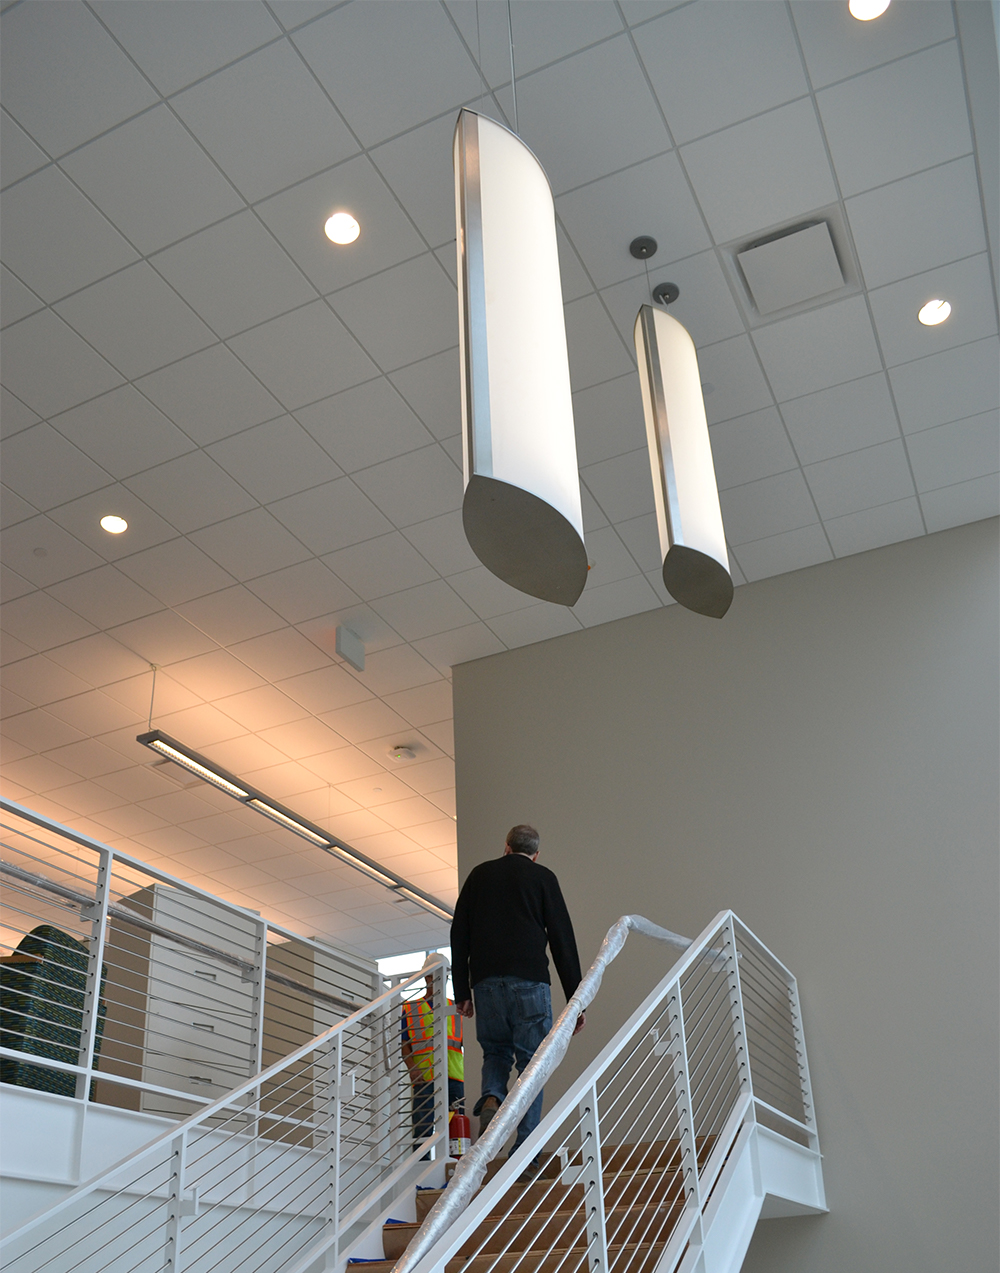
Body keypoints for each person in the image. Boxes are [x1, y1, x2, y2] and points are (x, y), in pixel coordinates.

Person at [451, 824, 585, 1163]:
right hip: (529, 981)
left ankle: (493, 1095)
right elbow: (562, 940)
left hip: (486, 984)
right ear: (535, 854)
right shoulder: (543, 877)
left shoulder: (479, 875)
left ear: (506, 847)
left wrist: (462, 990)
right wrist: (577, 999)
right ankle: (527, 1151)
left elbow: (459, 933)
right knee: (531, 1064)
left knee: (495, 1052)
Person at [401, 970, 464, 1154]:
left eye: (444, 976)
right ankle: (421, 1168)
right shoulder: (411, 1008)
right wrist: (412, 1068)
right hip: (424, 1076)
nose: (439, 980)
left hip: (454, 1076)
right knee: (423, 1127)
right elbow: (405, 1044)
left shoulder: (455, 1007)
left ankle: (458, 1164)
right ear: (426, 978)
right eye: (434, 976)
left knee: (457, 1125)